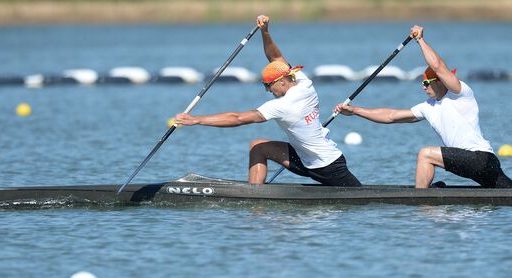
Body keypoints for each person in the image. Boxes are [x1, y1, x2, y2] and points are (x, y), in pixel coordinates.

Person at [174, 15, 361, 186]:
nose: (267, 90)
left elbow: (238, 118)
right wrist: (265, 32)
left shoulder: (283, 105)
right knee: (258, 147)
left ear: (281, 81)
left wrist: (197, 120)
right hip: (304, 159)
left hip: (327, 165)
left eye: (268, 86)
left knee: (357, 194)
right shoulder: (303, 81)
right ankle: (255, 195)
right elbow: (275, 58)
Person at [334, 25, 512, 189]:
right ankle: (429, 194)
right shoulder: (428, 107)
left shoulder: (460, 94)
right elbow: (391, 116)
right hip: (475, 163)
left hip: (481, 159)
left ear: (441, 81)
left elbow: (438, 66)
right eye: (422, 83)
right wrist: (355, 111)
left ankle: (421, 200)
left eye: (427, 82)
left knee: (425, 154)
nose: (423, 86)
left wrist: (420, 39)